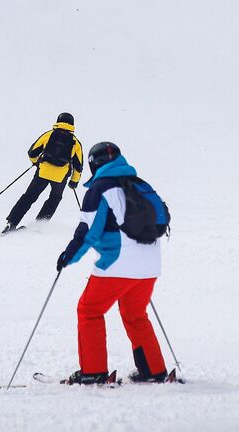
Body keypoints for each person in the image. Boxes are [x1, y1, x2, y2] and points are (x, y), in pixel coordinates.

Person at [56, 142, 168, 385]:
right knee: (135, 314)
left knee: (89, 311)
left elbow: (88, 232)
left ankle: (93, 372)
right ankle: (154, 370)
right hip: (150, 264)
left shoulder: (100, 188)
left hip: (117, 264)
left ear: (93, 164)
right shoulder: (141, 184)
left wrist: (68, 257)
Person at [2, 112, 83, 234]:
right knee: (54, 198)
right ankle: (38, 225)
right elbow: (79, 166)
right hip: (60, 177)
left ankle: (11, 223)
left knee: (29, 196)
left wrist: (36, 163)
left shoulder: (49, 135)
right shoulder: (75, 142)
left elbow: (32, 152)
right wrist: (74, 181)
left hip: (43, 173)